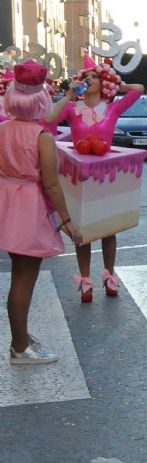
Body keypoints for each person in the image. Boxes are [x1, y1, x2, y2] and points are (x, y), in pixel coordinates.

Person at [1, 60, 82, 363]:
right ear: (40, 99)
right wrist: (68, 221)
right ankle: (19, 346)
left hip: (5, 204)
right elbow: (51, 185)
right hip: (28, 208)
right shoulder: (41, 137)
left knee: (19, 274)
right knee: (24, 277)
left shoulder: (2, 129)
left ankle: (20, 336)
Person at [43, 59, 144, 301]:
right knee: (81, 230)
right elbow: (49, 120)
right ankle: (85, 280)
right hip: (79, 175)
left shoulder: (112, 108)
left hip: (107, 177)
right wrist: (68, 95)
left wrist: (118, 84)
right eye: (85, 77)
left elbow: (138, 90)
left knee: (109, 229)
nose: (88, 81)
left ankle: (110, 275)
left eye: (94, 77)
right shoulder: (72, 108)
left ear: (104, 83)